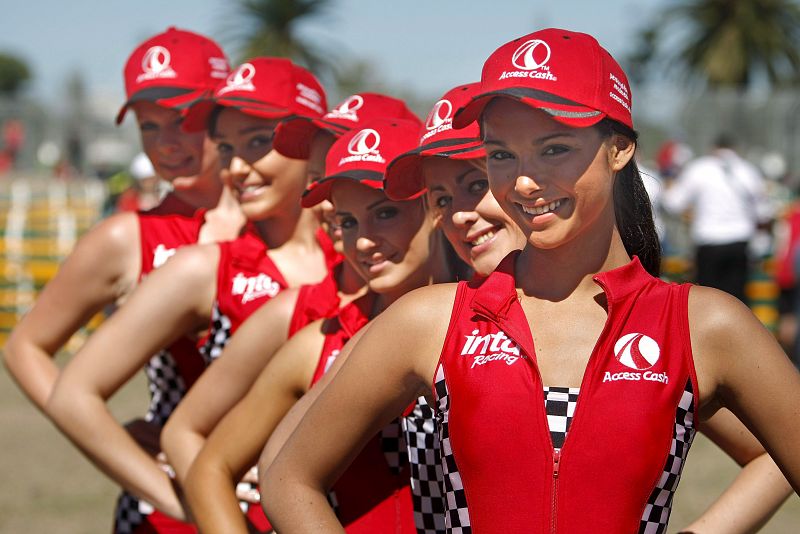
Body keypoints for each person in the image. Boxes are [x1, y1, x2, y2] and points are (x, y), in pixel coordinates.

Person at [260, 28, 800, 533]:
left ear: (619, 148)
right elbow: (288, 478)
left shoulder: (703, 323)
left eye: (554, 148)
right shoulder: (429, 320)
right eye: (501, 155)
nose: (522, 181)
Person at [43, 57, 334, 530]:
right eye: (226, 147)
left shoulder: (366, 259)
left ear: (316, 143)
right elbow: (72, 394)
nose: (236, 167)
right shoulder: (204, 266)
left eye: (259, 142)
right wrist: (195, 501)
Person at [2, 27, 236, 533]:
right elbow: (25, 347)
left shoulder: (290, 221)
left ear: (225, 112)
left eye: (182, 119)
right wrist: (148, 478)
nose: (166, 143)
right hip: (174, 515)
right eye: (149, 126)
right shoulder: (127, 237)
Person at [159, 92, 421, 487]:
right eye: (321, 177)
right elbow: (200, 445)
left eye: (359, 177)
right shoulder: (305, 316)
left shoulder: (468, 300)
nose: (333, 200)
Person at [663, 134, 773, 303]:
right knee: (737, 300)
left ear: (713, 148)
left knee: (708, 300)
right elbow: (763, 211)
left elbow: (673, 203)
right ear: (734, 148)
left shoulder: (699, 168)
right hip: (739, 242)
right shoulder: (748, 170)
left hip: (709, 242)